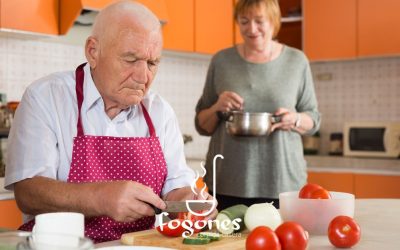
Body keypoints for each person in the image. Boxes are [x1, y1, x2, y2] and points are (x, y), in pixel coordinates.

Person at [5, 1, 216, 243]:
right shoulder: (46, 97)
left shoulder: (160, 112)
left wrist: (189, 201)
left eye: (152, 63)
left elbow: (175, 187)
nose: (143, 76)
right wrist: (100, 197)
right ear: (93, 52)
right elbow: (28, 192)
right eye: (130, 59)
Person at [195, 0, 321, 210]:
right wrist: (218, 107)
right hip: (227, 180)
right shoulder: (221, 60)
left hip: (282, 181)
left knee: (280, 242)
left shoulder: (296, 61)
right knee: (227, 242)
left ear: (273, 21)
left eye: (259, 21)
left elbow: (314, 120)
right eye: (244, 21)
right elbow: (202, 124)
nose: (251, 29)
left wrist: (295, 118)